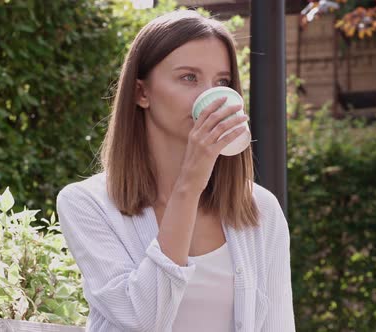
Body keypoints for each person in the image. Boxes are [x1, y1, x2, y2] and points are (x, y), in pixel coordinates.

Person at [56, 9, 295, 332]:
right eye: (189, 78)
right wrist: (188, 188)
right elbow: (144, 318)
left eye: (221, 82)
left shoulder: (260, 210)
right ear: (142, 93)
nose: (210, 96)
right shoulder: (88, 204)